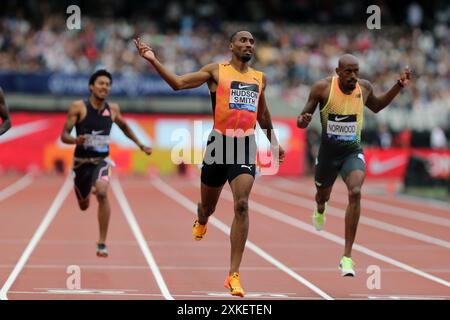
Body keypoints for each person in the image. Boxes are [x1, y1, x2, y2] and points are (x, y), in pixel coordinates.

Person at [134, 31, 285, 297]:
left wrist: (273, 142)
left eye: (252, 42)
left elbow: (262, 113)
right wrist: (152, 60)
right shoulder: (216, 72)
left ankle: (233, 275)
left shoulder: (260, 78)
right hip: (218, 145)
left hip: (245, 145)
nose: (248, 44)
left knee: (241, 204)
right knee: (208, 206)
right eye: (243, 41)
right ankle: (202, 218)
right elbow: (178, 83)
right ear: (231, 46)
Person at [297, 54, 411, 276]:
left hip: (352, 152)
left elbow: (377, 107)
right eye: (348, 71)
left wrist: (399, 85)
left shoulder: (364, 88)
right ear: (338, 72)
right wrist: (302, 121)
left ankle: (347, 257)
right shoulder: (322, 88)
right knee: (322, 195)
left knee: (356, 191)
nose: (353, 76)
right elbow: (303, 118)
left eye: (356, 71)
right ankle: (320, 209)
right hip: (328, 155)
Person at [60, 69, 152, 257]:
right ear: (91, 87)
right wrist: (74, 141)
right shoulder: (78, 107)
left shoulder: (113, 109)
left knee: (102, 192)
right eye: (101, 83)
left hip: (102, 160)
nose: (105, 87)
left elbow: (125, 127)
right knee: (84, 205)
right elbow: (64, 135)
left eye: (108, 84)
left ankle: (102, 242)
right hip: (81, 164)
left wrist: (141, 144)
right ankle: (88, 189)